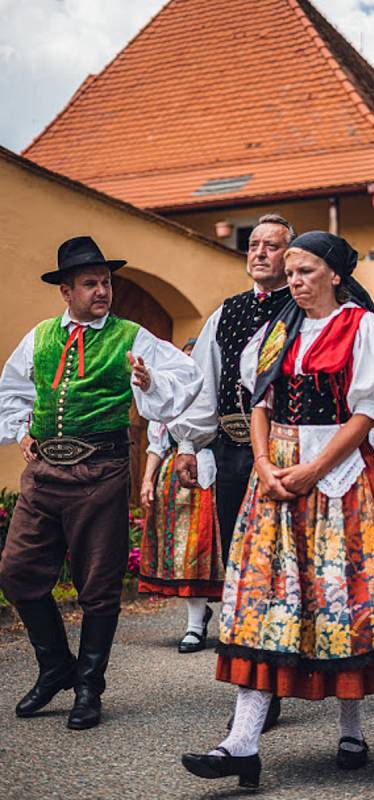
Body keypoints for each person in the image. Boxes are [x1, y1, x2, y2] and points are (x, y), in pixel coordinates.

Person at [181, 232, 374, 789]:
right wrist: (267, 465)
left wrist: (313, 470)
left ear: (336, 275)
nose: (294, 280)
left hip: (339, 475)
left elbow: (366, 415)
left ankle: (351, 728)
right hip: (277, 477)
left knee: (338, 600)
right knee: (264, 601)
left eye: (306, 270)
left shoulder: (360, 327)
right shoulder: (276, 331)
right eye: (290, 271)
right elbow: (260, 404)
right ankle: (241, 742)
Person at [0, 236, 203, 730]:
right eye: (90, 283)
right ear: (65, 290)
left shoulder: (133, 336)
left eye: (106, 281)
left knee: (98, 585)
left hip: (101, 473)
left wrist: (148, 381)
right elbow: (13, 388)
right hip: (45, 474)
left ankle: (89, 685)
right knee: (17, 573)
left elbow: (188, 377)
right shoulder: (41, 336)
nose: (102, 291)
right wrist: (22, 431)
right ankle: (55, 669)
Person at [171, 214, 296, 728]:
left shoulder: (303, 310)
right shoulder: (226, 312)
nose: (259, 252)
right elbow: (203, 382)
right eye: (254, 244)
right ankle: (254, 683)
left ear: (290, 258)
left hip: (288, 455)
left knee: (278, 566)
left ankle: (277, 681)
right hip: (230, 451)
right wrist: (186, 443)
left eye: (272, 246)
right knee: (237, 567)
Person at [139, 420, 223, 652]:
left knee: (224, 548)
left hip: (226, 461)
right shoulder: (171, 391)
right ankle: (195, 625)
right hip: (180, 474)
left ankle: (233, 624)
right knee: (190, 548)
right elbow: (157, 440)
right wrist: (147, 479)